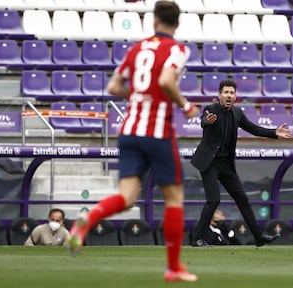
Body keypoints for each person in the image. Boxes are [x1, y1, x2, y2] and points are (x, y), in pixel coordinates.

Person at [68, 1, 199, 282]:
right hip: (157, 131)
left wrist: (138, 97)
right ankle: (173, 268)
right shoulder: (178, 49)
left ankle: (88, 219)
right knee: (174, 198)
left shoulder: (136, 49)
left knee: (127, 197)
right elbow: (166, 80)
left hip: (128, 130)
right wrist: (185, 105)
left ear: (154, 21)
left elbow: (114, 87)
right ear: (177, 24)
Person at [191, 79, 293, 247]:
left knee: (242, 199)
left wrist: (274, 132)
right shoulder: (211, 110)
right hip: (209, 163)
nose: (229, 95)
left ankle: (258, 237)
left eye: (232, 93)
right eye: (226, 93)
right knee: (214, 200)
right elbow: (204, 121)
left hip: (226, 165)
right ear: (220, 95)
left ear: (235, 96)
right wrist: (206, 122)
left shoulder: (237, 113)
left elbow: (253, 129)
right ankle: (197, 238)